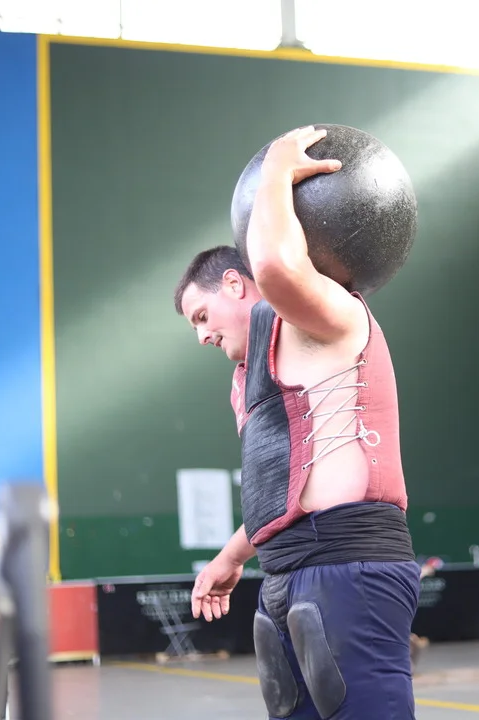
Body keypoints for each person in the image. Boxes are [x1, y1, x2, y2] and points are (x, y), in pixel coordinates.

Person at [174, 126, 420, 720]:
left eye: (202, 315)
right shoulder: (248, 383)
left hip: (350, 563)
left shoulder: (329, 315)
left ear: (235, 282)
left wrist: (278, 170)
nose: (202, 335)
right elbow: (281, 494)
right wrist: (231, 557)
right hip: (283, 575)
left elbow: (276, 269)